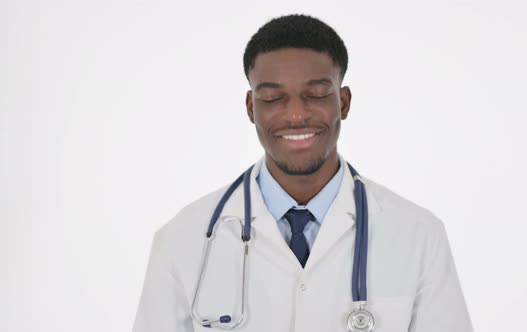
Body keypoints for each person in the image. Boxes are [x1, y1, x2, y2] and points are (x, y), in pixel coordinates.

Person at [132, 14, 473, 332]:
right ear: (251, 108)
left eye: (316, 94)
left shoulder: (418, 235)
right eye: (273, 98)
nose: (296, 115)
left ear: (344, 101)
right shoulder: (182, 241)